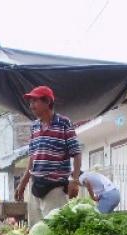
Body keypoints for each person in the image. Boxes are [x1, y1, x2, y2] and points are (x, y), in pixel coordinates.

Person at [14, 85, 81, 224]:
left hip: (55, 187)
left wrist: (74, 181)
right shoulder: (34, 127)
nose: (31, 106)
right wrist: (23, 183)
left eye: (35, 101)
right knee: (35, 231)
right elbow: (32, 158)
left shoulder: (64, 123)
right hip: (35, 186)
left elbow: (76, 153)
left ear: (47, 102)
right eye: (30, 102)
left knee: (53, 231)